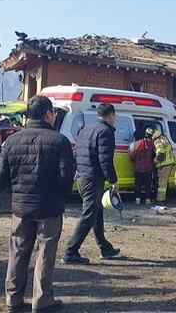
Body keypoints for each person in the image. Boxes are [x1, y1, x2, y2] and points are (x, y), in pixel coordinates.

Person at [0, 95, 74, 313]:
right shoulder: (59, 141)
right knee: (45, 253)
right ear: (48, 114)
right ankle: (42, 300)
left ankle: (12, 300)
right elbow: (66, 177)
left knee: (18, 252)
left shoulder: (11, 140)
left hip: (20, 207)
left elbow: (1, 175)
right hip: (49, 207)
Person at [64, 103, 120, 264]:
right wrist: (113, 180)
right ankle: (70, 251)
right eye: (114, 117)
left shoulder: (86, 129)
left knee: (97, 212)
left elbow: (77, 153)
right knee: (89, 214)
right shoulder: (106, 132)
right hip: (93, 179)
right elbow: (105, 160)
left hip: (82, 177)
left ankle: (105, 247)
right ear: (111, 115)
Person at [129, 128, 156, 205]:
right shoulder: (152, 145)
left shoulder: (136, 144)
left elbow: (131, 155)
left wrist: (134, 161)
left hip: (138, 168)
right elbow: (154, 155)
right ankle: (148, 200)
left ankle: (137, 200)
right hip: (148, 168)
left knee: (138, 185)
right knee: (148, 185)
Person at [152, 130, 174, 203]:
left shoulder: (158, 141)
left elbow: (160, 154)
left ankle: (160, 199)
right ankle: (164, 197)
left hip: (164, 164)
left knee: (162, 183)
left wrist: (154, 161)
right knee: (164, 182)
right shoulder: (164, 139)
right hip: (169, 163)